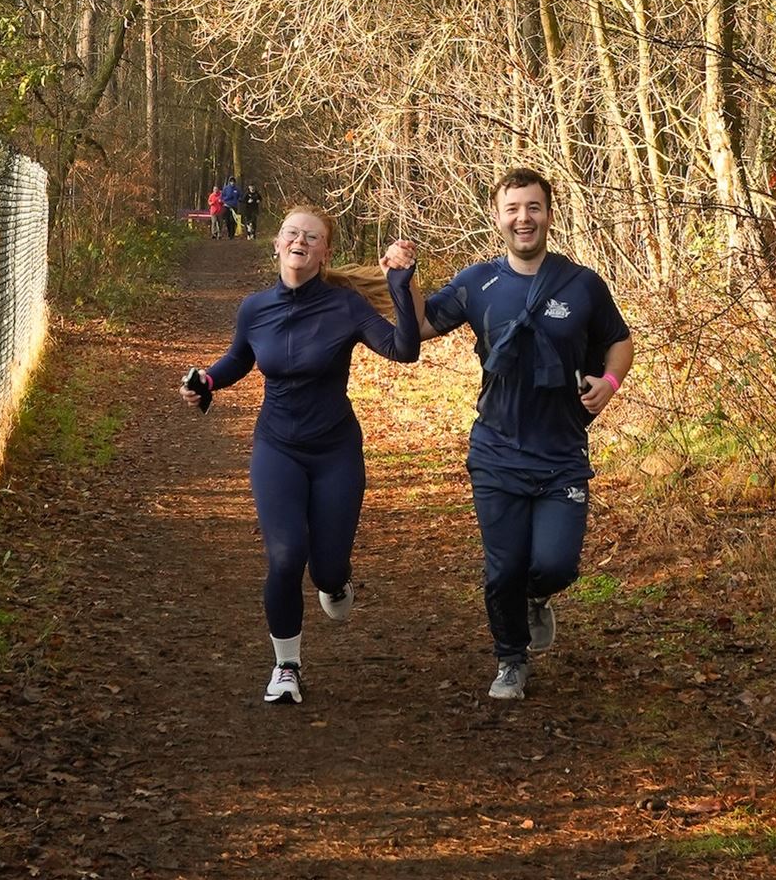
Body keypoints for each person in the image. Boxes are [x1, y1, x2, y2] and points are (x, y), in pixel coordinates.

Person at [391, 167, 632, 701]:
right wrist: (404, 278)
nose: (524, 218)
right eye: (513, 209)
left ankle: (536, 596)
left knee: (555, 564)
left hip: (561, 450)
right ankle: (510, 660)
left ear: (549, 214)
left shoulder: (582, 284)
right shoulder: (478, 283)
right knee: (503, 568)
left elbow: (619, 340)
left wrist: (610, 382)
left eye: (533, 208)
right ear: (498, 218)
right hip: (497, 448)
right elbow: (421, 326)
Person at [182, 206, 423, 704]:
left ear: (324, 253)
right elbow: (239, 359)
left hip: (336, 451)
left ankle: (334, 584)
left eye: (311, 237)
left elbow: (403, 349)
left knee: (327, 569)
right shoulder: (254, 308)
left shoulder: (345, 306)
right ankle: (286, 666)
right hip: (278, 448)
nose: (300, 241)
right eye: (291, 233)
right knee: (287, 555)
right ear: (276, 243)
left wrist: (399, 284)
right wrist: (208, 379)